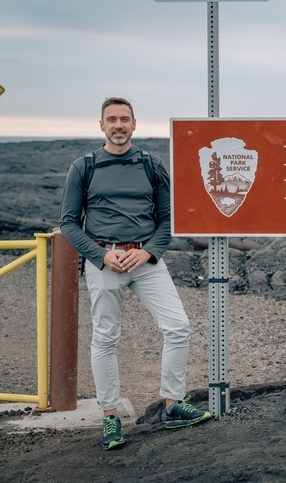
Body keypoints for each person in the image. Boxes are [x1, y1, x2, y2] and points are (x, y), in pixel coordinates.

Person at [58, 97, 211, 450]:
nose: (118, 125)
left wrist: (147, 252)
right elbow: (68, 222)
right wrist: (101, 255)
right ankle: (110, 416)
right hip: (105, 260)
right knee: (106, 337)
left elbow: (167, 220)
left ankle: (173, 405)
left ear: (134, 124)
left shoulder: (151, 165)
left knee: (178, 326)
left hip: (145, 260)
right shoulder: (84, 167)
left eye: (124, 119)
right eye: (111, 119)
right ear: (101, 126)